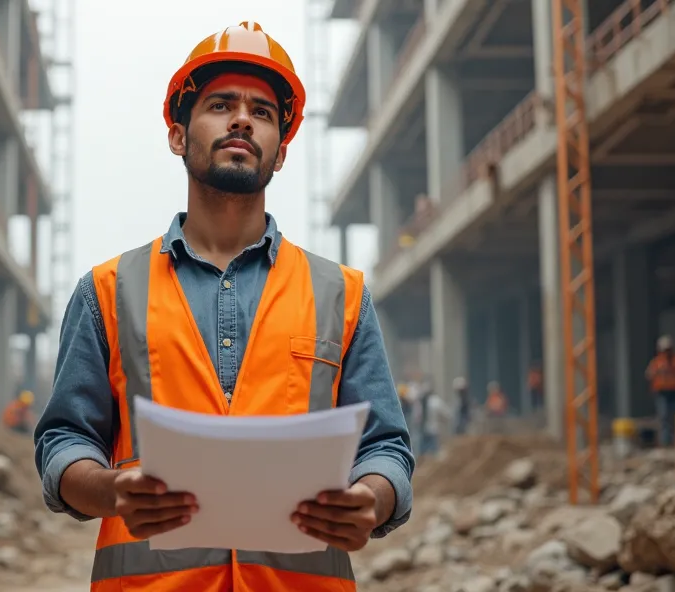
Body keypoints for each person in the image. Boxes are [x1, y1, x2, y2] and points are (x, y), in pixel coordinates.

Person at [33, 21, 414, 592]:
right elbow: (63, 441)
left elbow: (385, 447)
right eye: (220, 104)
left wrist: (370, 498)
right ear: (178, 136)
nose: (242, 118)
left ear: (280, 153)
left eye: (262, 112)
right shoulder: (107, 291)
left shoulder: (342, 295)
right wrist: (111, 490)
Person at [645, 335, 675, 447]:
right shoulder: (656, 363)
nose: (667, 352)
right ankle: (666, 442)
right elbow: (649, 374)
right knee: (664, 417)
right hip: (663, 393)